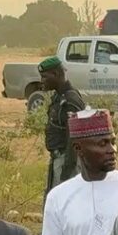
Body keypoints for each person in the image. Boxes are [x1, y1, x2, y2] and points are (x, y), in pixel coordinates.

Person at [38, 55, 85, 197]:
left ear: (56, 74)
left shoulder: (70, 99)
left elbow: (74, 137)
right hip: (58, 158)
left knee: (64, 199)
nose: (42, 81)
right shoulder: (59, 97)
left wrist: (67, 170)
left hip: (67, 160)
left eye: (45, 77)